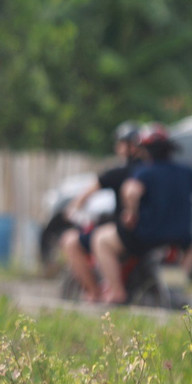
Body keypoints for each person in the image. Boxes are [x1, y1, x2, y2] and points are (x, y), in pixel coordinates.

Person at [93, 124, 192, 304]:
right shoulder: (187, 170)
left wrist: (130, 213)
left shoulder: (144, 172)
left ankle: (117, 292)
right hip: (182, 238)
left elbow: (131, 191)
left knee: (101, 239)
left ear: (146, 150)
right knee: (191, 249)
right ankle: (178, 288)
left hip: (148, 237)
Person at [59, 121, 144, 302]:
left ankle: (96, 293)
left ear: (128, 146)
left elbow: (87, 193)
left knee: (72, 241)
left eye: (120, 143)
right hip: (150, 231)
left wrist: (72, 208)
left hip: (127, 232)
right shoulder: (151, 170)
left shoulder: (119, 172)